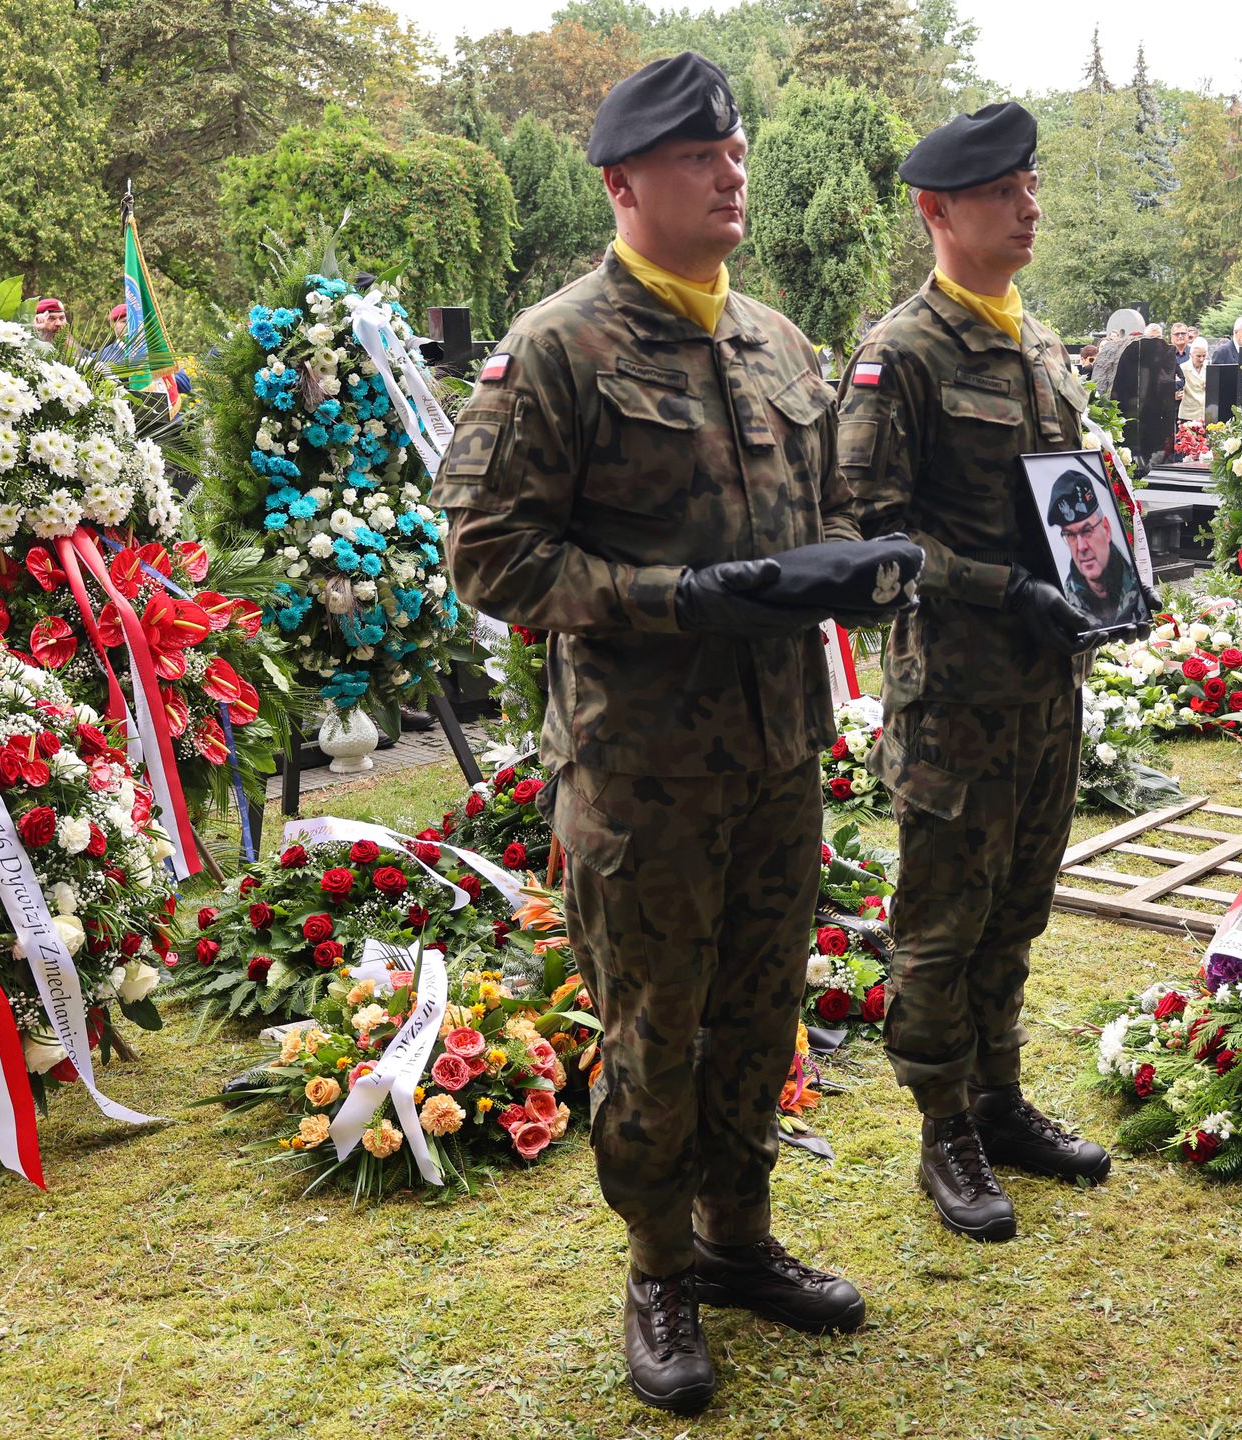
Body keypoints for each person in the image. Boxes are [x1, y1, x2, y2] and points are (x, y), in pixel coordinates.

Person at [429, 52, 918, 1415]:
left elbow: (807, 516)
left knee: (759, 1011)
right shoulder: (557, 347)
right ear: (620, 183)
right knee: (655, 1027)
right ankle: (657, 1267)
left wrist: (862, 563)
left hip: (774, 754)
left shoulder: (775, 340)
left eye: (736, 148)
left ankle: (739, 1240)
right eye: (699, 154)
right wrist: (676, 598)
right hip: (640, 764)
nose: (730, 171)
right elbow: (489, 557)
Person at [835, 100, 1117, 1249]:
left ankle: (998, 1102)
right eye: (1003, 191)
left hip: (1044, 686)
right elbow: (865, 527)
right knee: (941, 922)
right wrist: (1004, 591)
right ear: (937, 210)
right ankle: (941, 1123)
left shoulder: (1038, 342)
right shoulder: (899, 353)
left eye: (1031, 186)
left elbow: (1067, 498)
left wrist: (1106, 580)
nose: (1029, 206)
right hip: (953, 692)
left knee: (1017, 906)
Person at [1047, 468, 1144, 626]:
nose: (1081, 547)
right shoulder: (1062, 603)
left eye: (1087, 531)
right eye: (1070, 535)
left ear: (1106, 529)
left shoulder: (1138, 588)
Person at [1177, 337, 1209, 423]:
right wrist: (1177, 393)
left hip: (1205, 413)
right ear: (1190, 354)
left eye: (1204, 356)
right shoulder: (1182, 368)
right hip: (1188, 414)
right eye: (1198, 356)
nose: (1201, 359)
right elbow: (1176, 387)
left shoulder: (1210, 367)